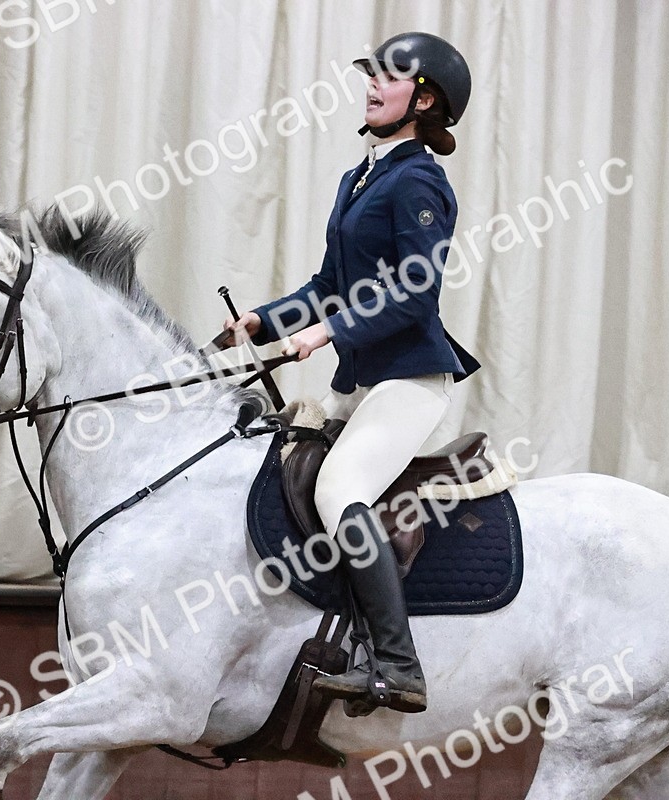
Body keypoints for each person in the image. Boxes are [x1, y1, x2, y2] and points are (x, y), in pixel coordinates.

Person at [224, 31, 480, 714]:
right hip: (363, 379)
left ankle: (399, 665)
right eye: (370, 75)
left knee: (339, 491)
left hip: (410, 378)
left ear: (423, 99)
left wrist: (329, 329)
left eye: (388, 77)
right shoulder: (360, 176)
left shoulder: (420, 179)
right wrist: (266, 320)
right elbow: (329, 281)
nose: (371, 85)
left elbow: (413, 292)